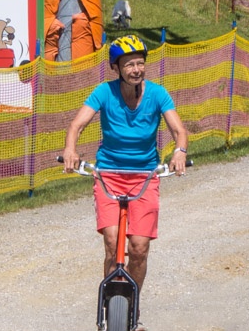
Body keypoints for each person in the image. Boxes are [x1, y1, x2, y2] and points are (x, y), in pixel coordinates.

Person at [62, 34, 189, 299]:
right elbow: (77, 125)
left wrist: (179, 152)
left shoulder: (157, 94)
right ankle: (111, 303)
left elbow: (179, 130)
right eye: (129, 65)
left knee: (139, 248)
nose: (136, 70)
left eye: (140, 63)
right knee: (112, 242)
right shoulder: (104, 92)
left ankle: (132, 301)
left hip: (145, 176)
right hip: (108, 175)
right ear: (116, 68)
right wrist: (70, 149)